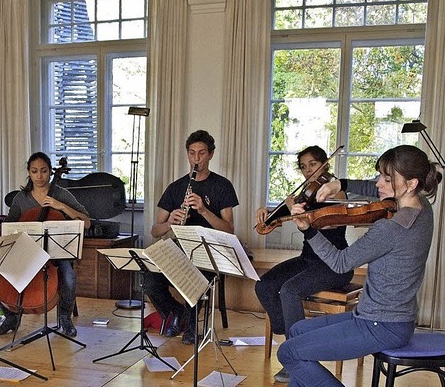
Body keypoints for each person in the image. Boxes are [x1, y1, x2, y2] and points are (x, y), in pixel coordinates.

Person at [277, 145, 441, 386]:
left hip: (380, 325)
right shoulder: (423, 208)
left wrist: (308, 230)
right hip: (392, 318)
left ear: (411, 183)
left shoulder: (391, 228)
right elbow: (370, 187)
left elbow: (340, 262)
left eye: (387, 178)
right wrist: (340, 184)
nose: (377, 183)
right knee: (298, 330)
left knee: (288, 353)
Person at [254, 146, 352, 383]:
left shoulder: (336, 192)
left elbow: (322, 220)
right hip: (308, 259)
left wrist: (296, 210)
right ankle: (290, 333)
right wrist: (267, 213)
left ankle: (297, 355)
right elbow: (273, 221)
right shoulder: (305, 196)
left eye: (313, 165)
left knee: (289, 290)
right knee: (264, 285)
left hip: (334, 264)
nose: (308, 170)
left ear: (325, 165)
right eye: (304, 167)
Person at [146, 130, 239, 345]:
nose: (196, 159)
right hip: (180, 247)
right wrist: (170, 222)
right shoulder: (176, 187)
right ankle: (179, 314)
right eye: (192, 153)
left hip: (210, 248)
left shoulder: (222, 186)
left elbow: (229, 229)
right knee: (151, 281)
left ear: (211, 155)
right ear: (187, 154)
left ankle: (189, 324)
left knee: (196, 276)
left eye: (202, 153)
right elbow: (154, 229)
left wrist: (204, 210)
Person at [0, 152, 91, 338]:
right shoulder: (21, 198)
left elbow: (86, 222)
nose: (39, 176)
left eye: (43, 171)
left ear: (51, 172)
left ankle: (64, 318)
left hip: (55, 254)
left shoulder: (61, 194)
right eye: (34, 171)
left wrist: (61, 206)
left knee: (69, 277)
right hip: (27, 254)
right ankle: (11, 317)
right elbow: (9, 227)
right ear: (29, 172)